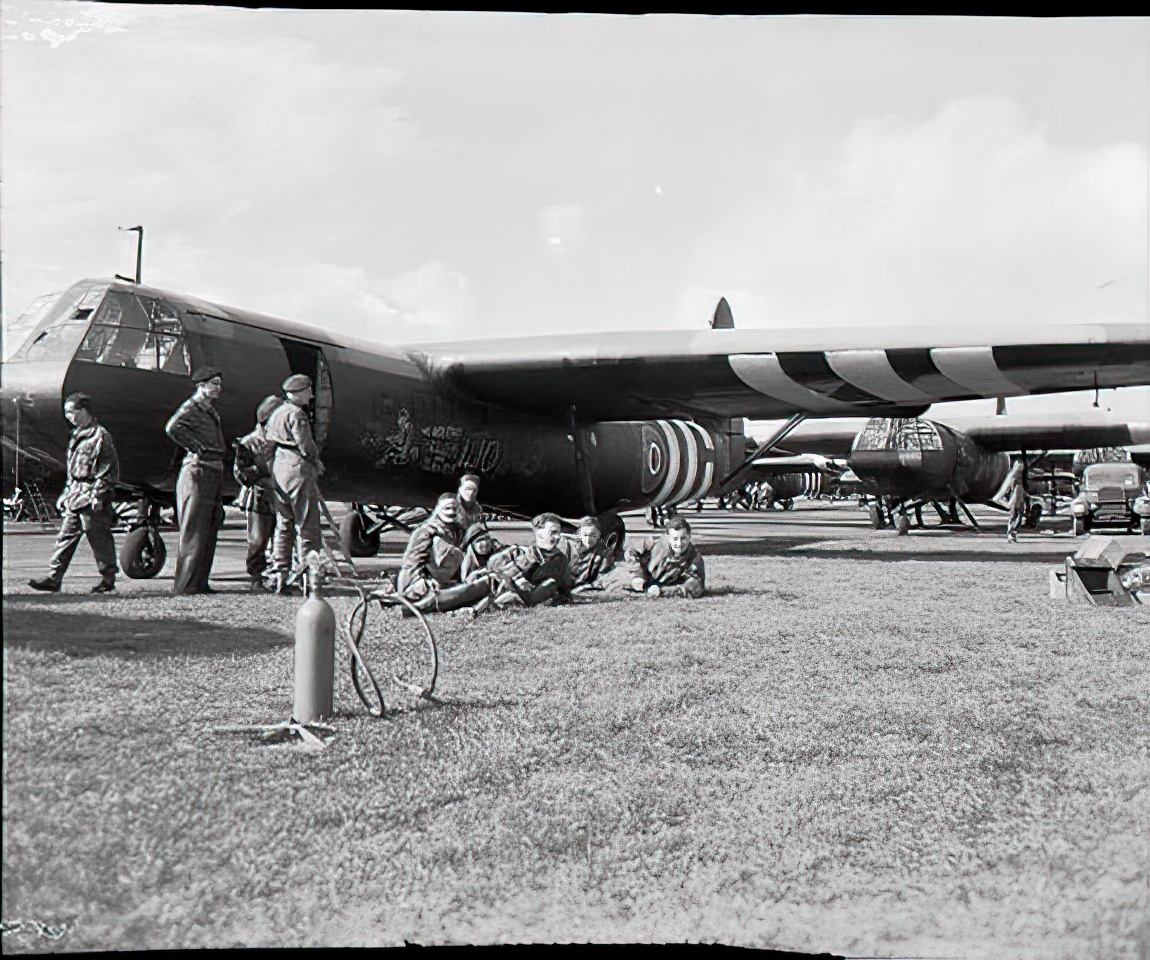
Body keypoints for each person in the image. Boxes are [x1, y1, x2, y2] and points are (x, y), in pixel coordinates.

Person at [28, 393, 120, 593]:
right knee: (65, 537)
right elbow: (73, 471)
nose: (68, 416)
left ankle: (108, 579)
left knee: (99, 539)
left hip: (91, 494)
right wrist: (66, 494)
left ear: (83, 411)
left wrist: (98, 496)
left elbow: (107, 470)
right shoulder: (77, 435)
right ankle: (54, 578)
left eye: (71, 411)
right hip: (76, 494)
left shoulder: (100, 436)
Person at [165, 367, 227, 595]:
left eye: (219, 384)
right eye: (214, 383)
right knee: (194, 529)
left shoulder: (208, 410)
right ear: (202, 385)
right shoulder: (191, 408)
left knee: (209, 528)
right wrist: (196, 447)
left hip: (211, 470)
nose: (218, 388)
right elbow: (172, 428)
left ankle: (200, 581)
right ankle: (186, 584)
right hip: (198, 471)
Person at [265, 373, 324, 593]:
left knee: (284, 524)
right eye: (308, 390)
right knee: (307, 525)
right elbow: (306, 446)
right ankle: (308, 576)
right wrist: (316, 462)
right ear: (299, 392)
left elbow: (268, 442)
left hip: (280, 469)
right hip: (298, 470)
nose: (311, 394)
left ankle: (280, 573)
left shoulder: (277, 412)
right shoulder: (297, 415)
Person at [234, 395, 284, 592]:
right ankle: (255, 575)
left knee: (281, 537)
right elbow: (240, 472)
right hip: (259, 496)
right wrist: (261, 472)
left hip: (279, 495)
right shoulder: (249, 443)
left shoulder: (281, 441)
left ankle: (277, 572)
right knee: (258, 538)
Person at [396, 493, 471, 610]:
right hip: (424, 582)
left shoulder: (458, 530)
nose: (451, 511)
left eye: (454, 508)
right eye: (447, 508)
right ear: (439, 510)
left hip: (450, 580)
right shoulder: (426, 531)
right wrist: (421, 582)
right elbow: (411, 563)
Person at [485, 512, 574, 609]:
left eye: (558, 532)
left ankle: (513, 601)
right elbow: (506, 574)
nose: (558, 537)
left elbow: (566, 586)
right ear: (539, 534)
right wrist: (518, 579)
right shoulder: (525, 553)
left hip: (533, 596)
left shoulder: (560, 559)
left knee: (551, 583)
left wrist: (562, 598)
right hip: (516, 591)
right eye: (553, 533)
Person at [624, 515, 706, 598]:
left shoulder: (695, 560)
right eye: (675, 539)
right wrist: (638, 576)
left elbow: (693, 588)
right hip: (645, 580)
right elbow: (632, 551)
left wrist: (662, 591)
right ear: (668, 538)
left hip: (665, 587)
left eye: (683, 538)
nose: (679, 543)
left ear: (689, 537)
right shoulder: (654, 543)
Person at [456, 473, 501, 578]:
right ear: (460, 489)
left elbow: (478, 528)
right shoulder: (451, 506)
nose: (470, 493)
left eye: (474, 490)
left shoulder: (477, 508)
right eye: (468, 489)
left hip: (471, 540)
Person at [559, 515, 616, 592]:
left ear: (598, 535)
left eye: (593, 535)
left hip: (582, 587)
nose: (588, 539)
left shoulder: (601, 553)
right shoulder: (567, 546)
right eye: (585, 535)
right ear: (579, 534)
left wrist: (586, 587)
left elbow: (605, 576)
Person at [1006, 465, 1027, 544]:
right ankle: (1011, 534)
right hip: (1015, 502)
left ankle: (1012, 534)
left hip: (1019, 502)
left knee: (1017, 519)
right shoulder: (1016, 484)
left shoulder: (1020, 485)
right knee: (1014, 517)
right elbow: (1013, 493)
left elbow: (1022, 494)